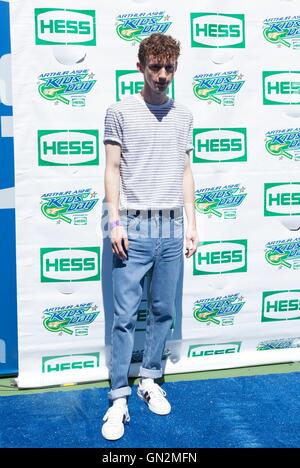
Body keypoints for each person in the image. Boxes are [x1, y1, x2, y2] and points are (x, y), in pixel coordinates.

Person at [102, 33, 198, 441]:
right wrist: (115, 221)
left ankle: (150, 379)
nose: (162, 75)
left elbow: (185, 172)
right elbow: (111, 170)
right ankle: (119, 395)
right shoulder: (119, 112)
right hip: (134, 228)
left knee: (162, 311)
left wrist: (193, 224)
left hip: (172, 227)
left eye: (169, 68)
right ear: (140, 67)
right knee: (124, 318)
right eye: (155, 67)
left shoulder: (184, 115)